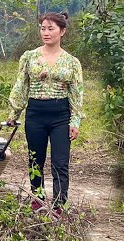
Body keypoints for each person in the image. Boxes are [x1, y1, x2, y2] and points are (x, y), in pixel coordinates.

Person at [8, 11, 84, 209]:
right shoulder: (29, 57)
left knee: (60, 162)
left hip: (61, 115)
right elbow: (21, 86)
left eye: (51, 29)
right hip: (35, 113)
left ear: (62, 31)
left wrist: (75, 121)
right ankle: (37, 200)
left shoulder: (72, 62)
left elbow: (76, 93)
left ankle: (59, 206)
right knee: (35, 159)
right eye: (43, 28)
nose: (46, 33)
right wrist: (14, 113)